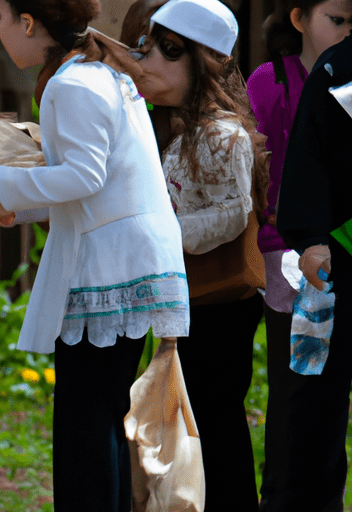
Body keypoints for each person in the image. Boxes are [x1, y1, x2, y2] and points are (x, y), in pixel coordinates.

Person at [0, 1, 190, 510]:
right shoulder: (96, 76)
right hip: (125, 260)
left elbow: (84, 176)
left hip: (111, 267)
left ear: (29, 23)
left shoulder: (73, 84)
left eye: (1, 16)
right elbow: (98, 180)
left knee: (85, 425)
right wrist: (17, 208)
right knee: (98, 419)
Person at [266, 0, 352, 510]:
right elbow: (308, 156)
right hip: (336, 258)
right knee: (315, 393)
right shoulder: (334, 66)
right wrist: (309, 236)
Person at [130, 0, 270, 509]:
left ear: (196, 60)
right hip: (180, 297)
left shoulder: (222, 134)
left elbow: (233, 213)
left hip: (221, 301)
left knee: (214, 417)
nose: (143, 64)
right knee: (181, 418)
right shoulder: (164, 130)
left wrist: (159, 231)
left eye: (160, 53)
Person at [245, 2, 352, 509]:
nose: (349, 32)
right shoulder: (270, 82)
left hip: (346, 264)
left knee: (326, 397)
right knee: (293, 393)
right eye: (337, 20)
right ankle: (280, 498)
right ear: (298, 20)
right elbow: (250, 175)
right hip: (278, 261)